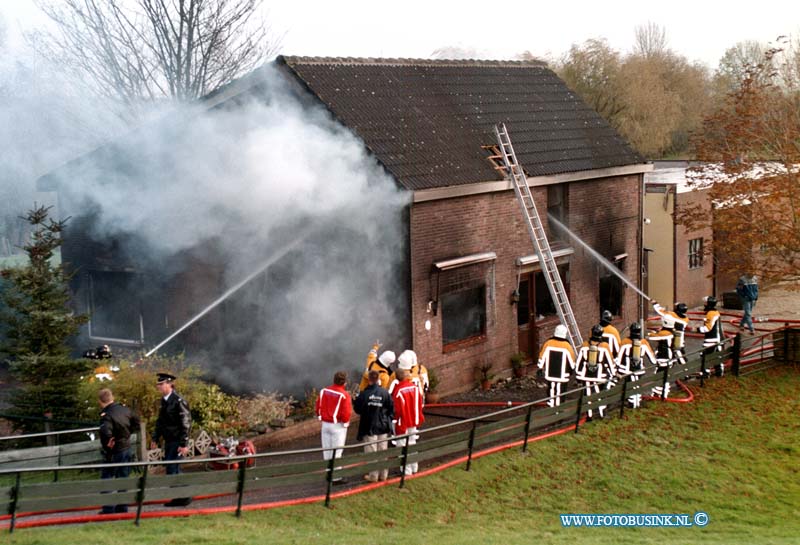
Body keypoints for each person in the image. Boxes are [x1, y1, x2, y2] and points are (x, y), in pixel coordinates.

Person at [151, 372, 193, 506]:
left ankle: (183, 496)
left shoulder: (178, 401)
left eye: (162, 384)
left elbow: (185, 423)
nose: (159, 387)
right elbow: (161, 422)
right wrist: (155, 438)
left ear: (170, 384)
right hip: (169, 440)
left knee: (173, 468)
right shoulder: (164, 401)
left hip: (176, 440)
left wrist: (184, 443)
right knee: (171, 468)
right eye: (159, 384)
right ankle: (180, 496)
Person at [98, 388, 140, 514]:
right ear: (112, 397)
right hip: (126, 446)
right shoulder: (125, 409)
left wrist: (109, 442)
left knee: (107, 478)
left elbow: (106, 432)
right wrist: (126, 434)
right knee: (123, 476)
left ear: (100, 401)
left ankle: (108, 507)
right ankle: (122, 506)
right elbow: (137, 423)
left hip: (113, 450)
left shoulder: (106, 415)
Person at [353, 369, 394, 482]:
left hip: (369, 426)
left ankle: (373, 476)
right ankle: (383, 475)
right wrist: (387, 420)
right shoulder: (385, 392)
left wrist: (355, 400)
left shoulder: (364, 394)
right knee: (383, 451)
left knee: (372, 452)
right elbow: (391, 408)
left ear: (369, 380)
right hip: (383, 426)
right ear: (378, 380)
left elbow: (358, 410)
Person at [315, 371, 352, 478]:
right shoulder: (344, 395)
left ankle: (328, 473)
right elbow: (346, 413)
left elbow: (318, 407)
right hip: (338, 426)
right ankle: (336, 477)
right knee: (337, 452)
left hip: (325, 424)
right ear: (344, 382)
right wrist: (345, 423)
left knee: (326, 451)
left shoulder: (324, 391)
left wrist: (320, 416)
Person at [574, 324, 616, 419]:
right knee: (599, 394)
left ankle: (589, 415)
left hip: (586, 376)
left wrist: (578, 377)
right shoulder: (604, 346)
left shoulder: (584, 345)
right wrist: (614, 373)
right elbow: (610, 362)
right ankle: (602, 413)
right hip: (599, 376)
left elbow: (579, 363)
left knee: (588, 394)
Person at [616, 323, 656, 408]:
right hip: (639, 370)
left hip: (627, 371)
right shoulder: (644, 342)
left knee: (630, 387)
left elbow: (619, 358)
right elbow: (652, 359)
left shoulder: (625, 342)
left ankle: (632, 404)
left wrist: (617, 369)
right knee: (637, 385)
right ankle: (637, 402)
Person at [392, 368, 424, 475]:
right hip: (413, 420)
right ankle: (414, 467)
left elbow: (397, 410)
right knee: (412, 443)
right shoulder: (415, 388)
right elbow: (420, 403)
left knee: (402, 446)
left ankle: (406, 470)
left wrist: (394, 421)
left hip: (402, 423)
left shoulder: (398, 391)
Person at [537, 324, 576, 408]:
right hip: (562, 375)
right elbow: (572, 360)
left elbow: (541, 356)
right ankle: (558, 409)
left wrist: (540, 368)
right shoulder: (567, 346)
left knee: (551, 389)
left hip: (550, 373)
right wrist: (572, 369)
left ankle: (551, 405)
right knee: (560, 392)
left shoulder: (548, 343)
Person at [652, 301, 690, 365]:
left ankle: (683, 369)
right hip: (679, 339)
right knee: (680, 355)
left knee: (673, 354)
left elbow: (660, 311)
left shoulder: (670, 315)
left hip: (671, 338)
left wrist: (655, 304)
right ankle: (685, 369)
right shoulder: (686, 319)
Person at [647, 311, 675, 398]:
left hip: (663, 358)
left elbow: (652, 337)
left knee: (659, 376)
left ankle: (660, 394)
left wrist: (649, 333)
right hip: (669, 358)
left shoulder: (665, 334)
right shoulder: (671, 332)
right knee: (664, 376)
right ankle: (662, 393)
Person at [699, 296, 725, 376]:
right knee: (717, 356)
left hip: (712, 339)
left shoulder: (711, 314)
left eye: (705, 303)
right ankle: (719, 372)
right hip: (717, 338)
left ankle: (706, 373)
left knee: (705, 356)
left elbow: (708, 328)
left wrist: (697, 329)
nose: (704, 304)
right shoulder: (714, 312)